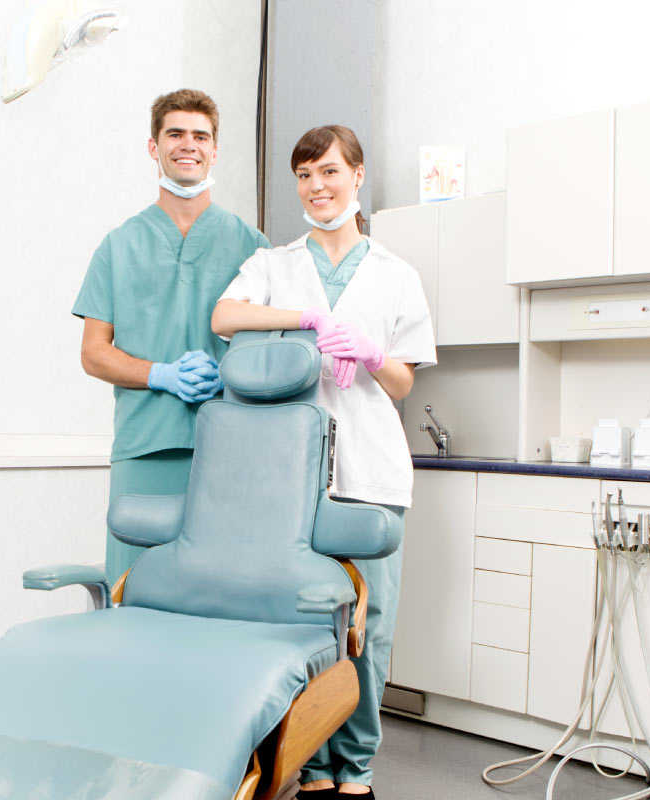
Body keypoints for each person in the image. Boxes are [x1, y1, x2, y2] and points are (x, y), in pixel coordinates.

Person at [211, 125, 436, 799]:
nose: (317, 187)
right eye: (304, 175)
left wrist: (369, 350)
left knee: (368, 633)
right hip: (291, 479)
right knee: (301, 626)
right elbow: (224, 316)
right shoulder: (277, 265)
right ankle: (306, 764)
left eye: (329, 172)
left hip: (371, 475)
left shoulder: (398, 276)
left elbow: (401, 384)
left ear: (358, 176)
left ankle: (355, 770)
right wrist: (307, 317)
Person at [73, 89, 270, 585]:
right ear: (153, 146)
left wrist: (226, 377)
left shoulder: (252, 245)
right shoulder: (119, 246)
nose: (189, 145)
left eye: (200, 136)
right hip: (145, 447)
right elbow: (94, 354)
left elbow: (271, 351)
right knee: (133, 587)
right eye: (175, 134)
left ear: (215, 150)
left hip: (227, 446)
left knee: (219, 590)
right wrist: (161, 375)